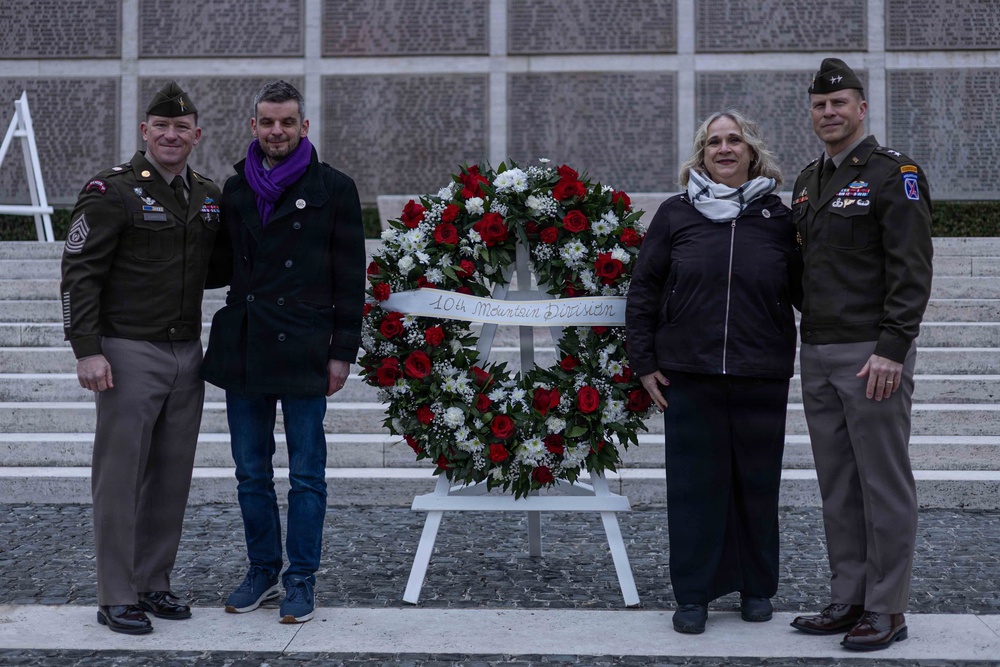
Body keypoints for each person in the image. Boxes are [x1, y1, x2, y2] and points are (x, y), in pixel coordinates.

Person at [626, 110, 801, 634]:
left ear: (752, 151)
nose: (725, 149)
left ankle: (756, 587)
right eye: (713, 142)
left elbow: (803, 290)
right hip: (688, 371)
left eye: (735, 140)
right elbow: (644, 289)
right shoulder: (676, 215)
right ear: (701, 156)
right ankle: (694, 595)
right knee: (693, 489)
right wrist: (644, 362)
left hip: (760, 370)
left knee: (756, 483)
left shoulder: (778, 217)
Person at [60, 82, 223, 634]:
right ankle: (115, 593)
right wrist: (87, 350)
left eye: (182, 128)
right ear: (145, 132)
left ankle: (155, 582)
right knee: (120, 476)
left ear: (196, 135)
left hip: (186, 353)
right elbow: (80, 274)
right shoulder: (112, 191)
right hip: (128, 351)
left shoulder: (207, 194)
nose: (171, 135)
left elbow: (216, 267)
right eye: (161, 126)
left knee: (171, 476)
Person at [201, 80, 366, 624]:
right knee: (250, 471)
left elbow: (350, 277)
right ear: (254, 126)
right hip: (247, 346)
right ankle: (262, 569)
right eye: (268, 123)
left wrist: (342, 352)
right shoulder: (234, 191)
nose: (277, 131)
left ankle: (300, 578)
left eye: (287, 122)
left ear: (304, 126)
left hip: (305, 346)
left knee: (306, 474)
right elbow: (218, 266)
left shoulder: (335, 189)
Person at [788, 58, 933, 651]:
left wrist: (893, 348)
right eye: (820, 105)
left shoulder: (891, 173)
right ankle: (848, 597)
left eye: (839, 103)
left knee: (883, 483)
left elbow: (911, 268)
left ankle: (887, 608)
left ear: (861, 108)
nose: (829, 113)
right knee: (838, 484)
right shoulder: (806, 181)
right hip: (817, 349)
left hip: (870, 354)